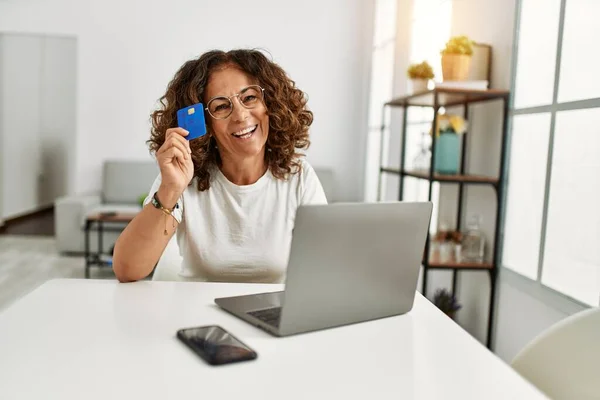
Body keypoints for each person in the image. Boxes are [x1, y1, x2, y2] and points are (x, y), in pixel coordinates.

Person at [113, 49, 327, 283]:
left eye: (249, 98)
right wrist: (171, 189)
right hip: (197, 314)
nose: (241, 115)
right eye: (221, 106)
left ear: (271, 104)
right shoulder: (183, 176)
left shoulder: (299, 176)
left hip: (271, 314)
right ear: (205, 124)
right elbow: (128, 270)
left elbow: (324, 270)